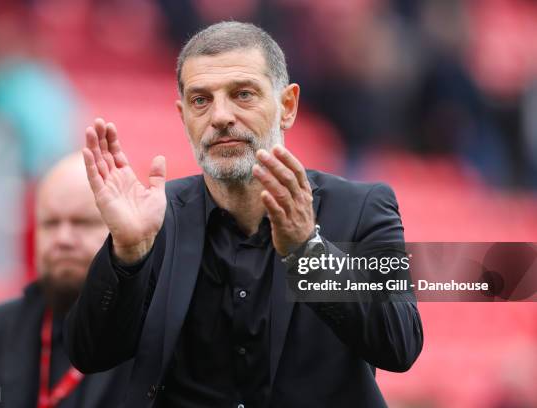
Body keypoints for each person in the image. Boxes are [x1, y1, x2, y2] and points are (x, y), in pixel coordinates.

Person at [65, 21, 423, 408]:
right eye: (201, 100)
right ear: (183, 115)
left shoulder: (359, 207)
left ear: (287, 106)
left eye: (243, 94)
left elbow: (399, 344)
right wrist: (128, 253)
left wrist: (307, 251)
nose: (220, 116)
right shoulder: (154, 216)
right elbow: (90, 354)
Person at [0, 153, 132, 408]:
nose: (63, 238)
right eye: (50, 223)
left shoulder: (156, 338)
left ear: (122, 227)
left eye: (83, 223)